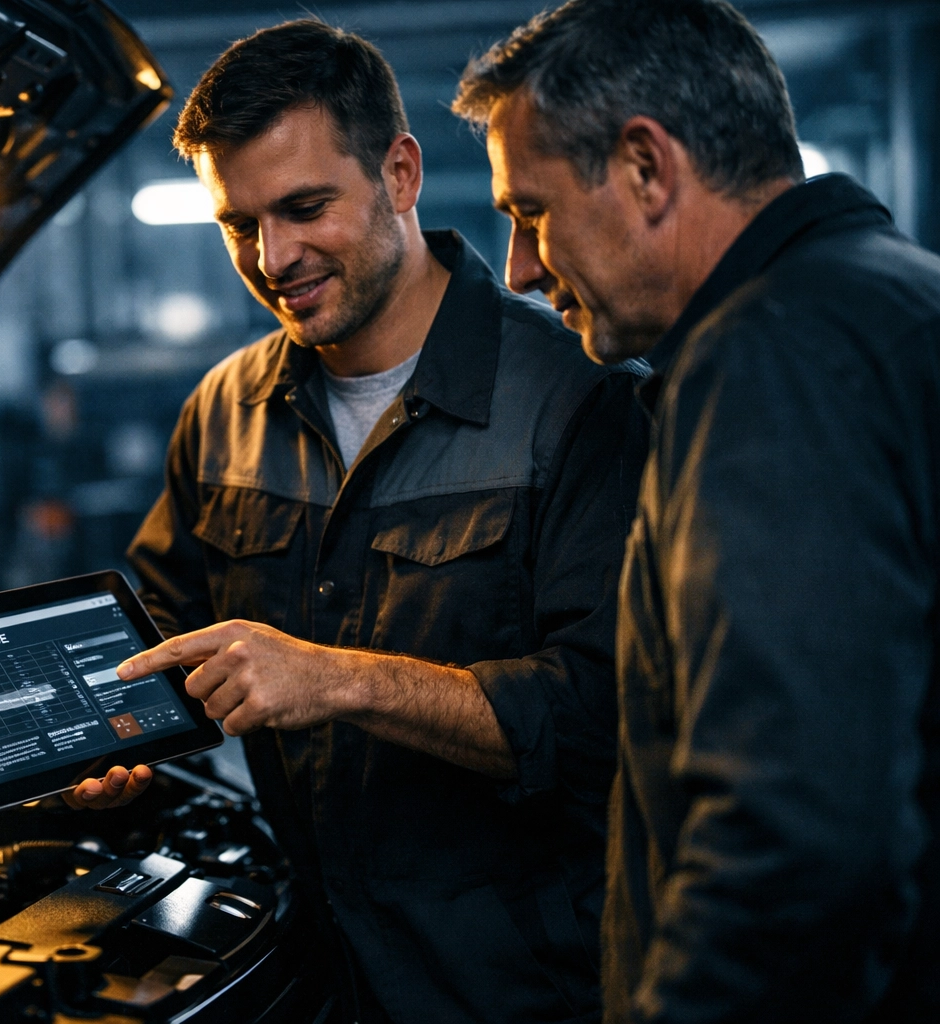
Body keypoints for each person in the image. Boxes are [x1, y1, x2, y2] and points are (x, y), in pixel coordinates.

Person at [65, 20, 651, 1023]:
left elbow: (603, 719)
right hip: (298, 971)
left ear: (401, 173)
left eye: (303, 208)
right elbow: (161, 638)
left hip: (513, 990)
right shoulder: (222, 412)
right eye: (238, 223)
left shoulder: (579, 401)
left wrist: (330, 678)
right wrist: (111, 745)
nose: (271, 257)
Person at [452, 1, 940, 1021]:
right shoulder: (894, 299)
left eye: (530, 212)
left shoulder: (773, 361)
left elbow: (792, 842)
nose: (521, 272)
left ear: (645, 168)